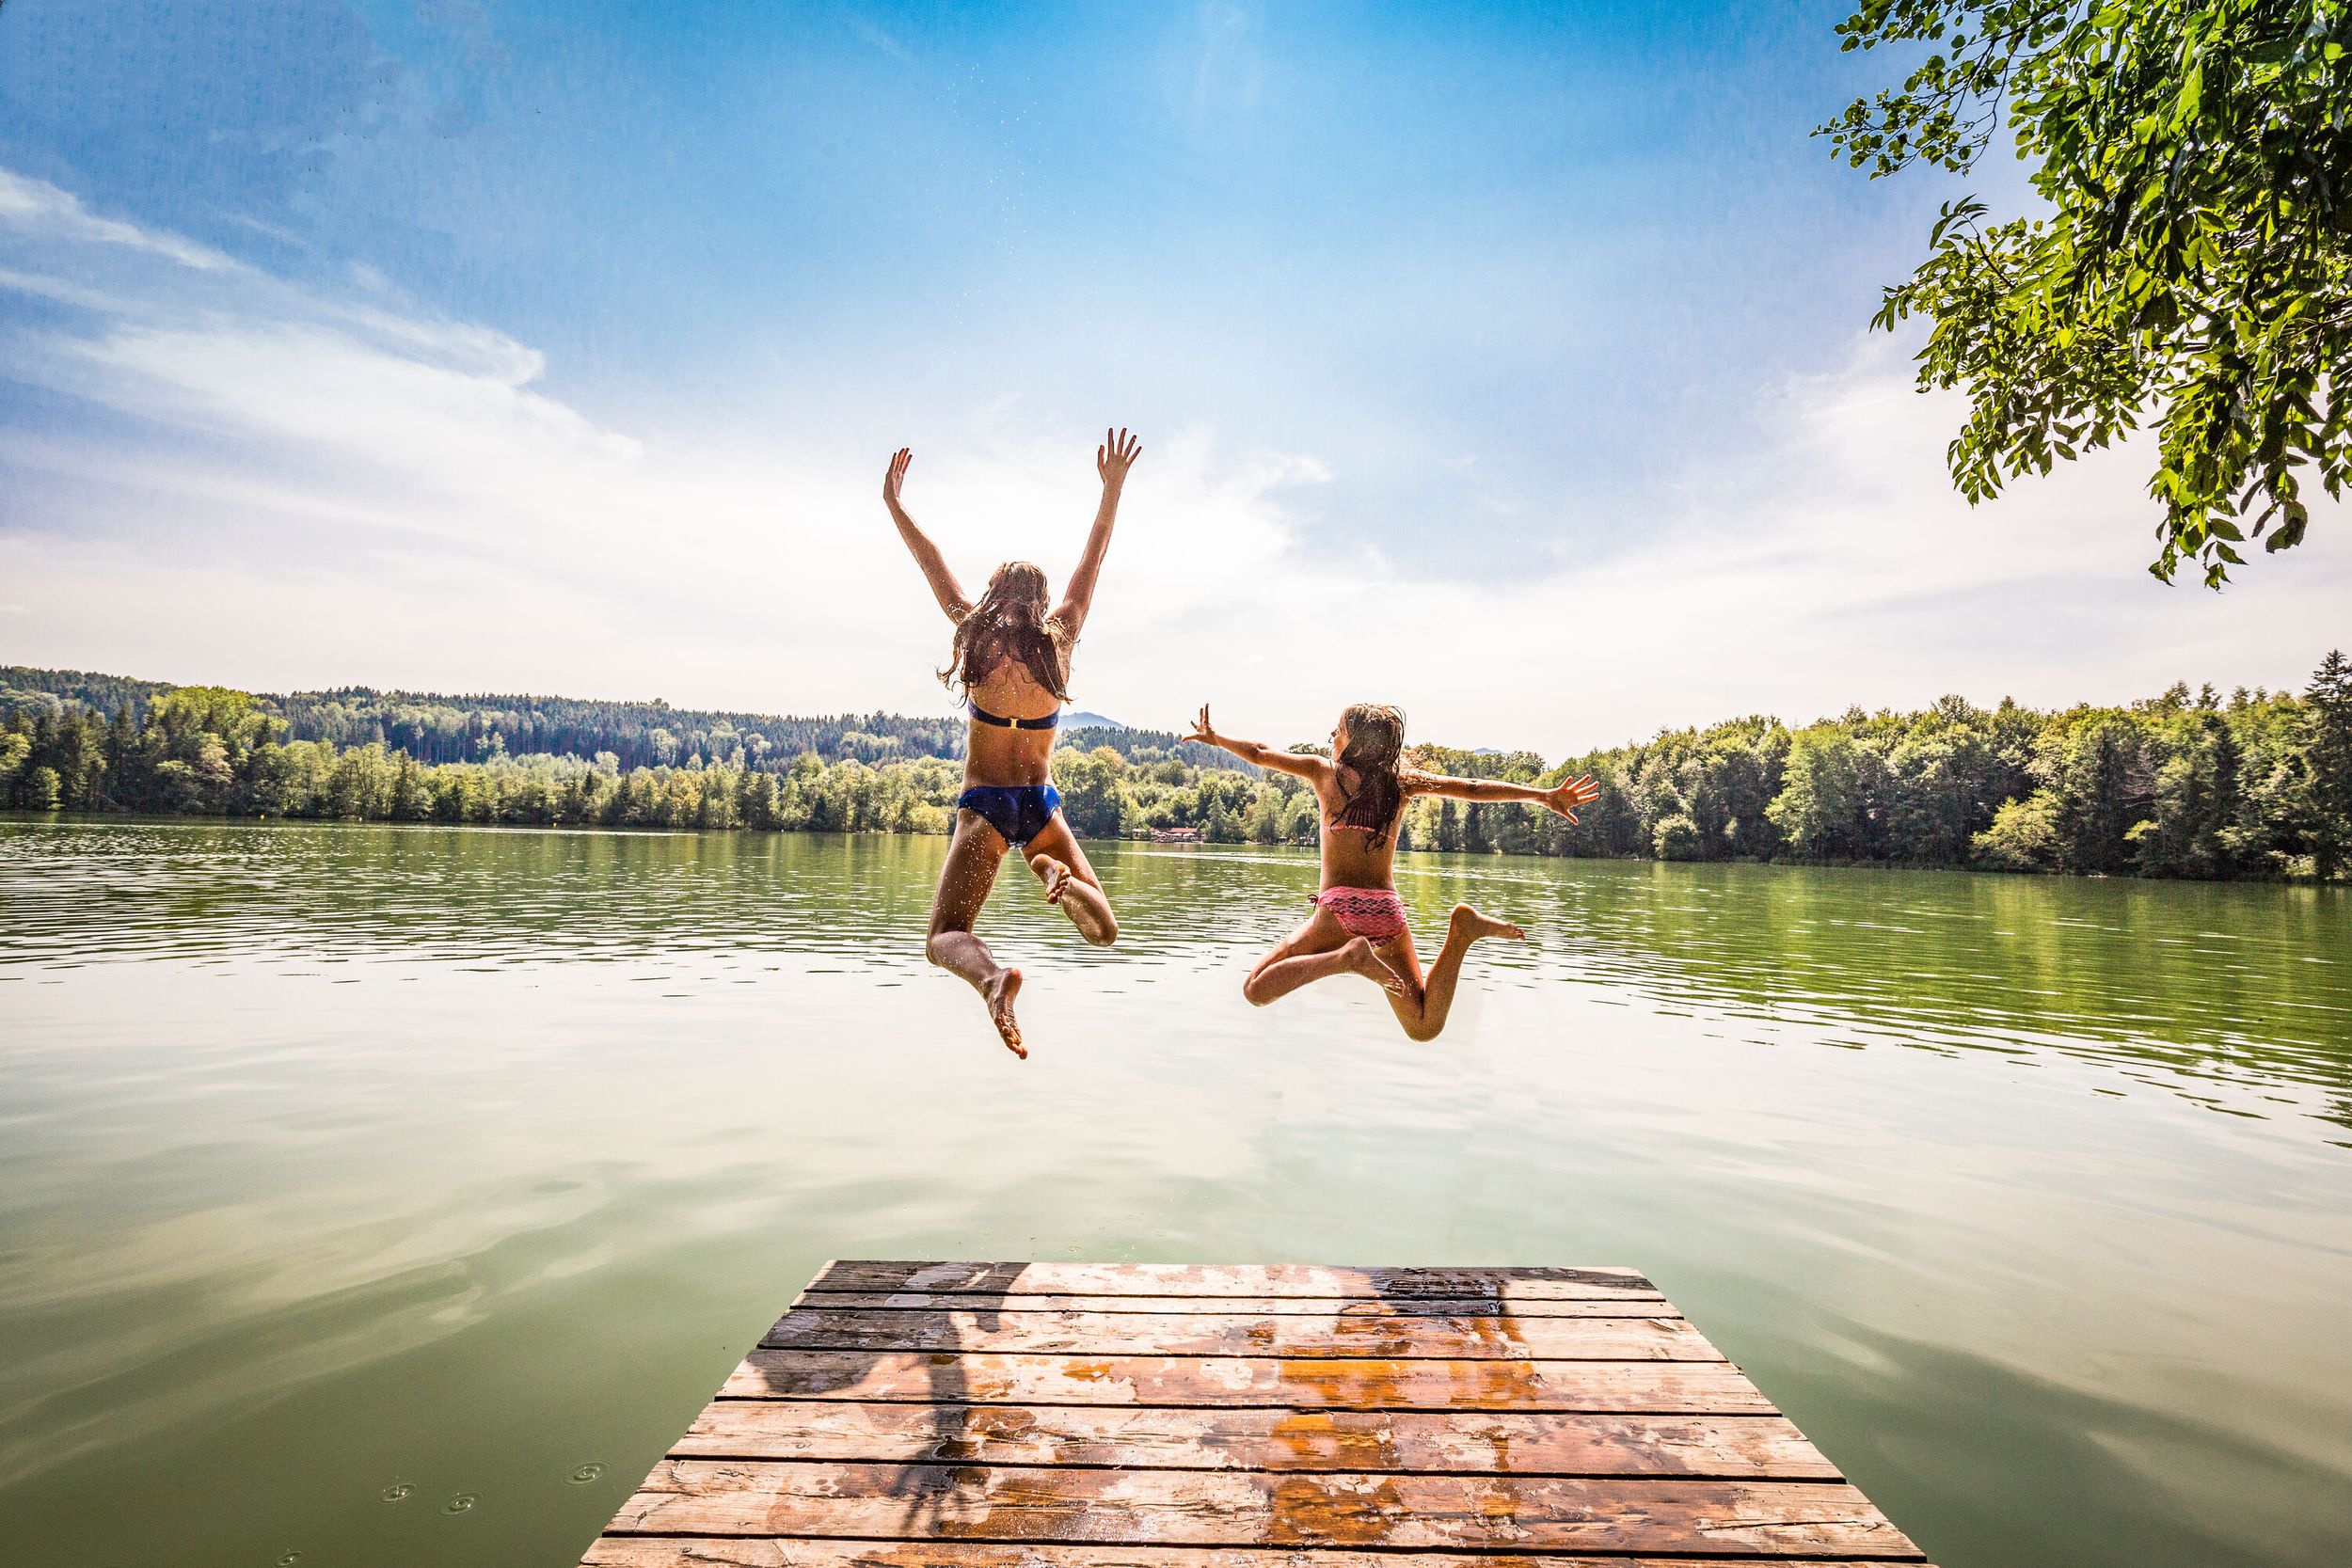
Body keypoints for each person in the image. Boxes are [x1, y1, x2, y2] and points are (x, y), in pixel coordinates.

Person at [882, 429, 1142, 1057]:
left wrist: (895, 504)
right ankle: (1050, 867)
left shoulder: (975, 634)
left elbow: (931, 563)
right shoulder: (1061, 642)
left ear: (995, 594)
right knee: (1103, 929)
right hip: (1040, 804)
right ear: (1045, 603)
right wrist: (1112, 488)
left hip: (988, 807)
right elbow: (1095, 560)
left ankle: (993, 979)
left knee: (945, 934)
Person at [1184, 701, 1598, 1040]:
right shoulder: (1402, 783)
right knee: (1423, 1025)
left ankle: (1347, 959)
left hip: (1339, 912)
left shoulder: (1324, 773)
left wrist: (1217, 738)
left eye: (1338, 731)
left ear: (1355, 742)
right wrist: (1542, 795)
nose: (1331, 737)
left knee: (1256, 989)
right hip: (1386, 913)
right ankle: (1461, 932)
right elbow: (1472, 789)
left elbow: (1258, 753)